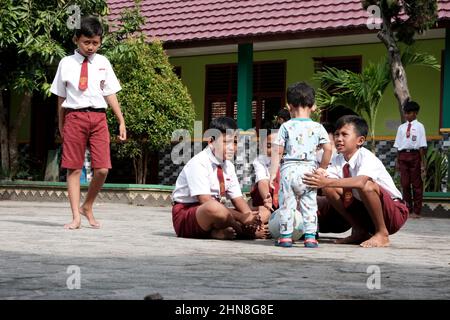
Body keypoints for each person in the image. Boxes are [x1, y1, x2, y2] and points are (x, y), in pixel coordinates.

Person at [50, 16, 127, 229]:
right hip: (74, 117)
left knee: (102, 169)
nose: (91, 47)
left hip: (99, 117)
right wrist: (61, 123)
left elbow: (109, 92)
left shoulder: (103, 62)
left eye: (95, 43)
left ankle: (88, 205)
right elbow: (60, 97)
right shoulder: (66, 63)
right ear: (76, 39)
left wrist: (120, 120)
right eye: (87, 42)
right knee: (73, 168)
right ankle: (76, 216)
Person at [304, 115, 409, 248]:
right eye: (336, 135)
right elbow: (327, 181)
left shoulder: (366, 157)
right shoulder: (337, 160)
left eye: (344, 135)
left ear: (360, 140)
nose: (339, 139)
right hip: (366, 213)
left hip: (393, 214)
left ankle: (382, 234)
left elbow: (360, 182)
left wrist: (325, 182)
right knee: (329, 189)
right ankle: (359, 230)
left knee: (366, 186)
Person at [171, 117, 263, 240]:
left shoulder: (228, 166)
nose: (231, 147)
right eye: (226, 142)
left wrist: (250, 218)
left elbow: (238, 199)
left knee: (262, 211)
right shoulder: (199, 163)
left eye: (235, 142)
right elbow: (205, 201)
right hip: (188, 214)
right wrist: (242, 219)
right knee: (214, 208)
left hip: (217, 212)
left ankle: (218, 232)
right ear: (211, 142)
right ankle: (241, 231)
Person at [269, 82, 332, 248]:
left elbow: (277, 151)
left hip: (289, 170)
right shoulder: (318, 127)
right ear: (313, 107)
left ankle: (285, 237)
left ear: (289, 106)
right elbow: (328, 148)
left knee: (287, 206)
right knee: (310, 204)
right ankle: (310, 237)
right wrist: (322, 169)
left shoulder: (285, 126)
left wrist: (272, 174)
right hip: (309, 171)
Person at [394, 100, 427, 219]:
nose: (406, 115)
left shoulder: (420, 127)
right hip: (403, 156)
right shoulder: (401, 128)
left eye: (409, 113)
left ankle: (417, 211)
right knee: (405, 183)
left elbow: (422, 145)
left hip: (415, 156)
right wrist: (398, 161)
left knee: (416, 184)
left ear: (415, 113)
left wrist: (422, 163)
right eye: (405, 113)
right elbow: (398, 145)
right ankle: (408, 209)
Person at [250, 130, 278, 227]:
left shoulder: (290, 159)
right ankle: (255, 225)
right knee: (265, 211)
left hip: (286, 196)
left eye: (277, 145)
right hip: (266, 195)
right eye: (269, 146)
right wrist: (267, 200)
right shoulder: (260, 160)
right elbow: (262, 181)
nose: (272, 150)